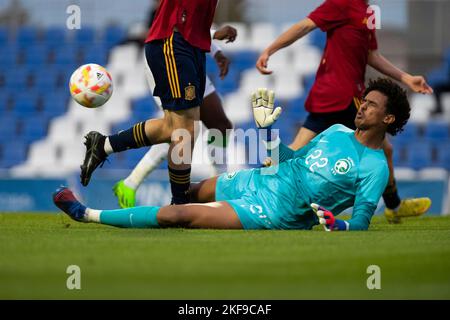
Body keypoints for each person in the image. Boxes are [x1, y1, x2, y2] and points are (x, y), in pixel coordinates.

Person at [54, 78, 411, 231]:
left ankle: (86, 213)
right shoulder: (335, 131)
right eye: (364, 100)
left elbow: (362, 223)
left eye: (372, 105)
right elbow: (287, 159)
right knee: (188, 192)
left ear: (389, 118)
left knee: (179, 215)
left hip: (273, 211)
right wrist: (267, 130)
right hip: (257, 179)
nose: (362, 106)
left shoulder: (375, 167)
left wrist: (340, 225)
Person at [255, 0, 433, 223]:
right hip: (335, 95)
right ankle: (258, 192)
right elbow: (304, 26)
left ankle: (394, 206)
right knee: (378, 148)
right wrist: (270, 50)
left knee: (380, 148)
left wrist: (406, 78)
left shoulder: (367, 11)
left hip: (351, 97)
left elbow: (371, 55)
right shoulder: (341, 3)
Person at [79, 0, 231, 206]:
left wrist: (215, 50)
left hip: (193, 47)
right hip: (172, 44)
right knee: (184, 131)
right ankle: (180, 204)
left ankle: (104, 145)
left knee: (191, 127)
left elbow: (195, 18)